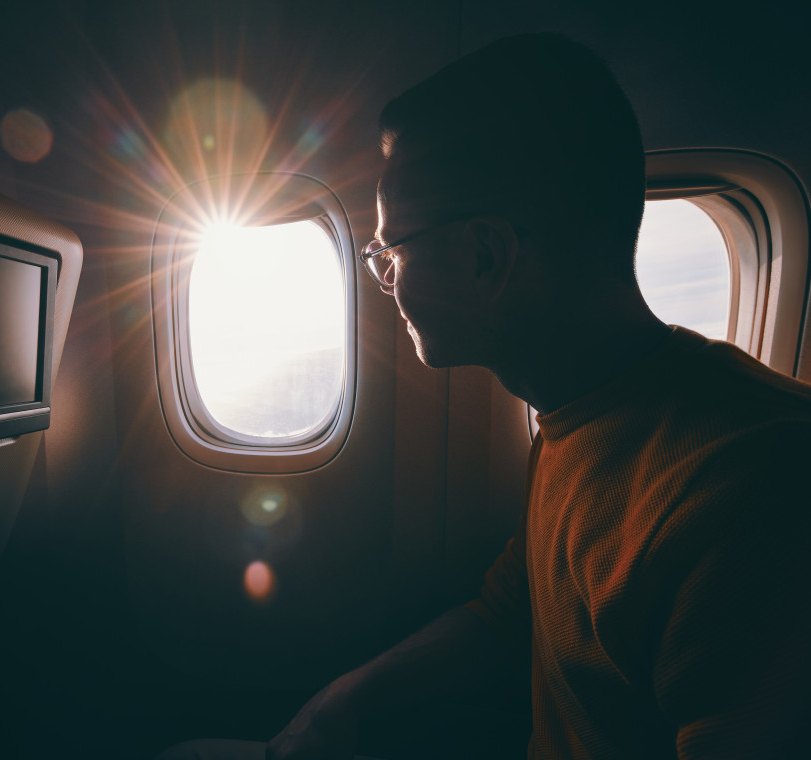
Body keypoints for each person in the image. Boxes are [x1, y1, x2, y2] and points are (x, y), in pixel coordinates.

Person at [161, 32, 811, 760]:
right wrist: (337, 705)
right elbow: (515, 611)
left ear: (485, 256)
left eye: (391, 251)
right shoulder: (577, 413)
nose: (386, 281)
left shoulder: (752, 495)